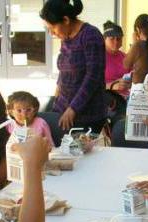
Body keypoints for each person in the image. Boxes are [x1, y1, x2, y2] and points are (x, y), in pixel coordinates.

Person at [39, 0, 106, 145]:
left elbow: (93, 77)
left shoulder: (90, 35)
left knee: (78, 153)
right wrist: (57, 95)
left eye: (53, 28)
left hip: (87, 114)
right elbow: (64, 71)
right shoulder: (66, 36)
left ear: (66, 20)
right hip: (63, 108)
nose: (52, 33)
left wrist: (73, 108)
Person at [103, 20, 129, 93]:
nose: (116, 42)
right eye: (112, 38)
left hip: (126, 97)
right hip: (105, 97)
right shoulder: (97, 57)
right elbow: (90, 85)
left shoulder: (125, 57)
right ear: (104, 39)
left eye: (118, 39)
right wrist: (111, 86)